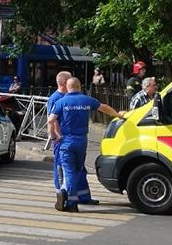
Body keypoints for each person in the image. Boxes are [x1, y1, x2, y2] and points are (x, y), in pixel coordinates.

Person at [48, 77, 122, 212]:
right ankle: (66, 192)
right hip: (82, 141)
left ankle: (71, 201)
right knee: (77, 170)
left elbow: (51, 120)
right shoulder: (86, 100)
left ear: (68, 87)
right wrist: (118, 115)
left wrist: (54, 136)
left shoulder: (61, 102)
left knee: (68, 171)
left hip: (66, 142)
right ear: (79, 86)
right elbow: (104, 108)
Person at [46, 70, 72, 195]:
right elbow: (52, 120)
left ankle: (67, 189)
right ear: (65, 83)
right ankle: (59, 191)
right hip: (59, 138)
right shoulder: (55, 98)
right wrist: (55, 136)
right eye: (70, 80)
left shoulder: (67, 96)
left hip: (67, 137)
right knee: (60, 164)